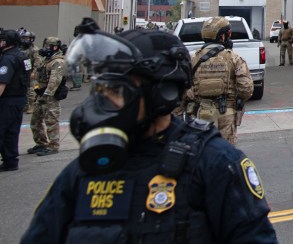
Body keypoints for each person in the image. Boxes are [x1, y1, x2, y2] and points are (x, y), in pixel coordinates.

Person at [22, 22, 277, 242]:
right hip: (224, 112)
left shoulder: (216, 165)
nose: (104, 100)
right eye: (102, 88)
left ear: (162, 94)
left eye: (117, 89)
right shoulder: (83, 172)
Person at [185, 17, 254, 145]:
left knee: (201, 153)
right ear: (222, 36)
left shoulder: (192, 59)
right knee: (226, 153)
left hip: (198, 115)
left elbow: (184, 90)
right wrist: (236, 100)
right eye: (228, 34)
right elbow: (247, 89)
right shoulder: (234, 58)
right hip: (225, 115)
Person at [28, 36, 67, 156]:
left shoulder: (58, 62)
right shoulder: (46, 60)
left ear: (55, 47)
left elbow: (54, 81)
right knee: (35, 120)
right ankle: (41, 143)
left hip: (51, 97)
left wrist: (47, 95)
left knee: (51, 121)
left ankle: (53, 146)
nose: (45, 48)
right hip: (41, 94)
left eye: (48, 46)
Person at [0, 30, 30, 172]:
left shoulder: (8, 58)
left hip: (8, 100)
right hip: (20, 99)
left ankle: (9, 160)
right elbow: (30, 74)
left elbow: (2, 83)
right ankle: (11, 161)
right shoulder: (24, 56)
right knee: (12, 132)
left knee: (2, 131)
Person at [20, 31, 38, 115]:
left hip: (33, 72)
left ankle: (32, 105)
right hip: (25, 70)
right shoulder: (21, 48)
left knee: (32, 89)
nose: (24, 40)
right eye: (23, 38)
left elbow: (37, 62)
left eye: (26, 38)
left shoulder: (34, 49)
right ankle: (26, 105)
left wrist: (33, 72)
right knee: (25, 89)